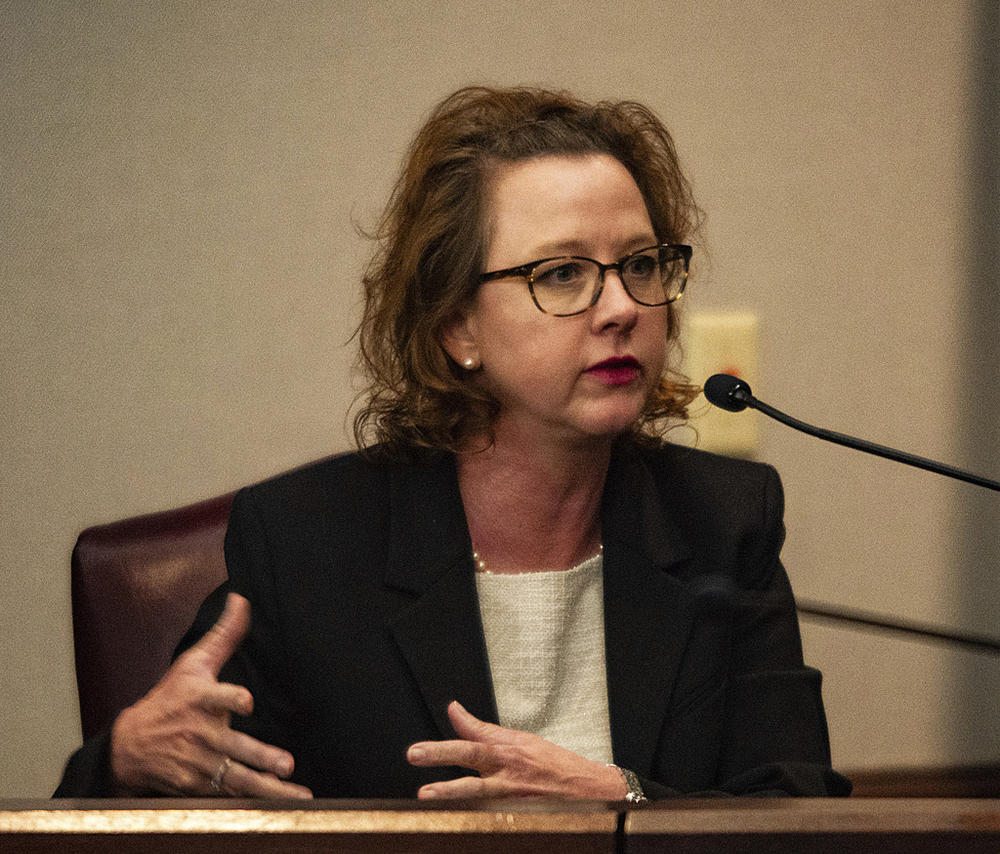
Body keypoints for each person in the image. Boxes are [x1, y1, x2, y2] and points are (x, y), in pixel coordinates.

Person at [56, 85, 850, 800]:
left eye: (640, 265)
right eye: (564, 274)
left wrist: (623, 802)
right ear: (456, 325)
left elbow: (796, 808)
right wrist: (124, 759)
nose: (621, 307)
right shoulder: (309, 544)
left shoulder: (722, 522)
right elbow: (139, 797)